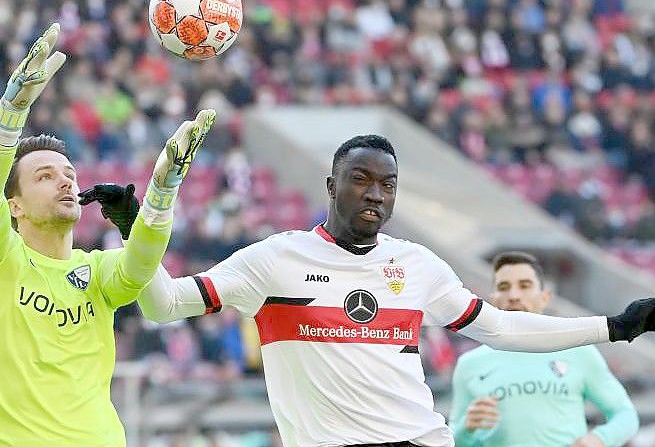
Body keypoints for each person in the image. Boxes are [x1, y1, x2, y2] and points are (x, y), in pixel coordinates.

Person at [81, 134, 655, 447]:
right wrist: (139, 227)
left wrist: (615, 327)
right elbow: (163, 305)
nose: (375, 194)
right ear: (332, 185)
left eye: (388, 185)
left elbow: (502, 328)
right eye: (361, 180)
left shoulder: (418, 265)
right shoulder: (276, 258)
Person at [0, 23, 215, 447]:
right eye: (45, 176)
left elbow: (140, 266)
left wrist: (161, 192)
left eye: (69, 174)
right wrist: (11, 112)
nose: (64, 182)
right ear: (16, 206)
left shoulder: (96, 272)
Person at [449, 251, 639, 447]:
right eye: (503, 287)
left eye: (525, 285)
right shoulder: (470, 364)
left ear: (545, 297)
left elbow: (625, 416)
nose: (514, 296)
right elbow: (454, 438)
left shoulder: (579, 351)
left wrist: (598, 439)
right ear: (492, 299)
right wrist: (466, 428)